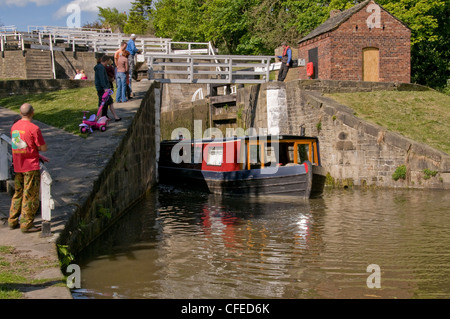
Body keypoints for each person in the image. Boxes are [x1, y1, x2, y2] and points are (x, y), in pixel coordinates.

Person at [8, 103, 48, 233]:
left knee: (18, 193)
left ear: (20, 113)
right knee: (30, 196)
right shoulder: (34, 128)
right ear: (32, 113)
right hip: (30, 166)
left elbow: (18, 146)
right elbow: (43, 147)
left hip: (18, 165)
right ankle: (26, 224)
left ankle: (12, 220)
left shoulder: (15, 127)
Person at [94, 55, 121, 121]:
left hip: (102, 88)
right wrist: (105, 88)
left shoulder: (100, 67)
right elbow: (102, 78)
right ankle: (100, 118)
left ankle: (112, 116)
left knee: (106, 103)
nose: (108, 64)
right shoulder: (101, 68)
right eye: (108, 62)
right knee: (104, 103)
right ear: (105, 61)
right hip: (103, 89)